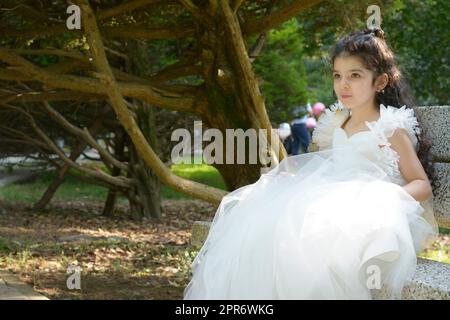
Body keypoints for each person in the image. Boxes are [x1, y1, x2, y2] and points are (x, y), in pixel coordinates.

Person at [183, 28, 438, 300]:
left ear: (380, 81)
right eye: (337, 76)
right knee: (267, 228)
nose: (344, 85)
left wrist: (379, 197)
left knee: (314, 244)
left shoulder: (390, 128)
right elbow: (327, 165)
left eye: (355, 76)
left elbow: (421, 185)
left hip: (372, 214)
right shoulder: (337, 123)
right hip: (334, 201)